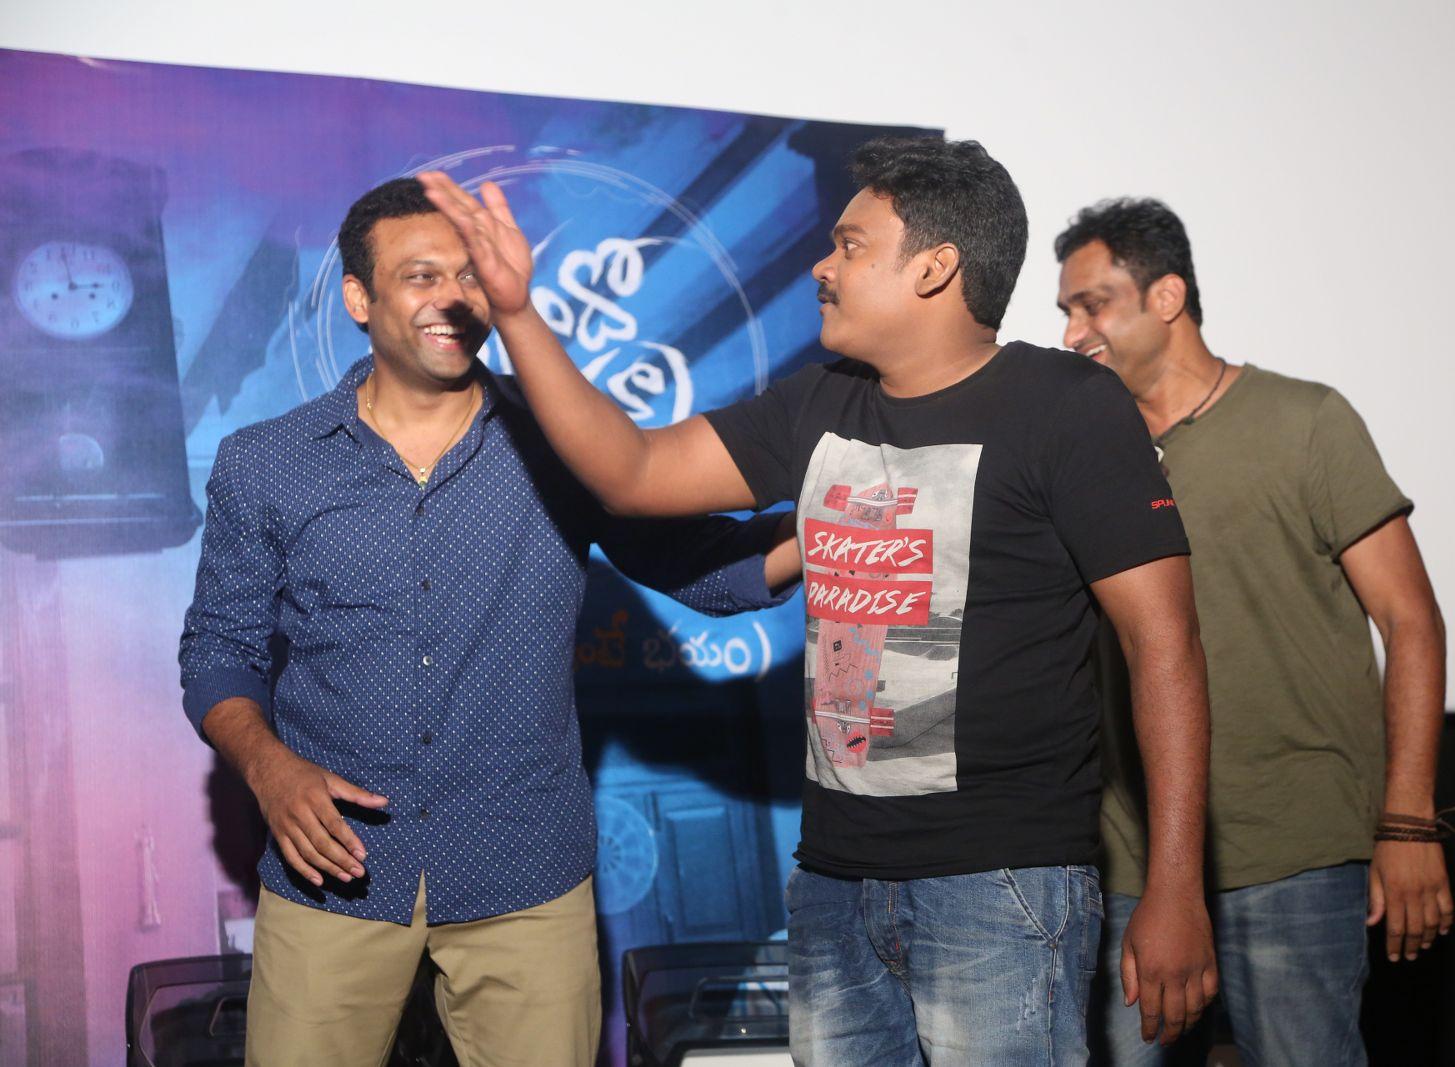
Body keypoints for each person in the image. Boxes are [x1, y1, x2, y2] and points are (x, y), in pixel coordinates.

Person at [416, 137, 1218, 1066]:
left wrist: (1177, 886)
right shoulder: (822, 401)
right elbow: (632, 472)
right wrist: (518, 314)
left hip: (1000, 885)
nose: (820, 266)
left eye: (849, 245)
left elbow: (1164, 645)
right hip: (835, 886)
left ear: (933, 268)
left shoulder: (1068, 404)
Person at [178, 177, 799, 1067]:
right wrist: (268, 767)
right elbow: (218, 648)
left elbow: (699, 566)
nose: (453, 297)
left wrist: (829, 520)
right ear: (358, 298)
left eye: (468, 274)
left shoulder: (562, 439)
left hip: (524, 869)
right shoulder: (266, 462)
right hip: (336, 870)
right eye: (420, 276)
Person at [1054, 198, 1452, 1066]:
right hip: (1127, 863)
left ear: (1167, 297)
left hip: (1292, 848)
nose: (1073, 332)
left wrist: (1408, 823)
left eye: (1093, 305)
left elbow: (1411, 620)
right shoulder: (1084, 453)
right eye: (1066, 311)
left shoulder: (1305, 421)